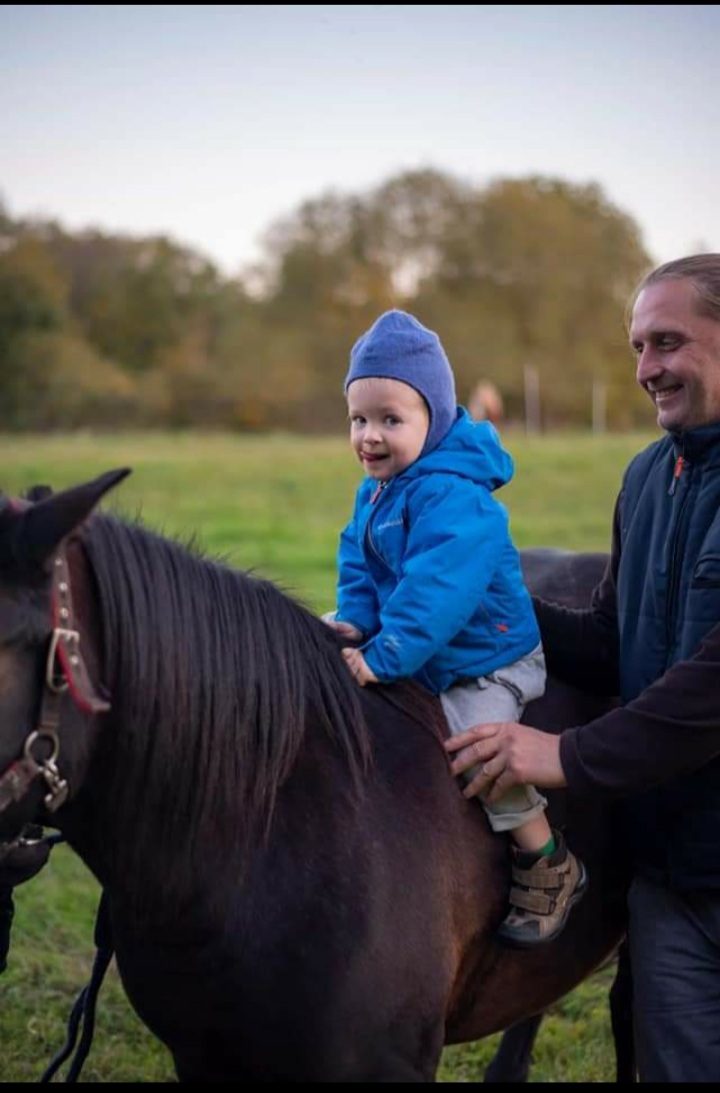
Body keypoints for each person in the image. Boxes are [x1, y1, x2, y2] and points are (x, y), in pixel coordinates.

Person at [445, 253, 720, 1081]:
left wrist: (558, 756)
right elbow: (612, 640)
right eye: (638, 346)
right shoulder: (648, 477)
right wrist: (476, 603)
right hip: (671, 879)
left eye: (667, 342)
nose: (646, 369)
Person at [325, 308, 586, 946]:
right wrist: (355, 624)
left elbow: (436, 592)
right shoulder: (379, 489)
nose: (370, 436)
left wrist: (384, 656)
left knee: (479, 750)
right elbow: (359, 562)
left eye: (392, 419)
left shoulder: (455, 497)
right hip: (426, 644)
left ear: (434, 420)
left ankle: (545, 858)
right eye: (360, 419)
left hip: (487, 656)